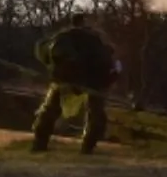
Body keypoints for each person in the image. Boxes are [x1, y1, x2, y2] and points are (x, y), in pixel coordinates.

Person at [30, 14, 119, 154]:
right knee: (52, 109)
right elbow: (52, 54)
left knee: (94, 114)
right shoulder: (68, 39)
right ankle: (41, 142)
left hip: (89, 80)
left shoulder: (90, 40)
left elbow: (106, 65)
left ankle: (86, 146)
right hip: (71, 79)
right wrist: (64, 73)